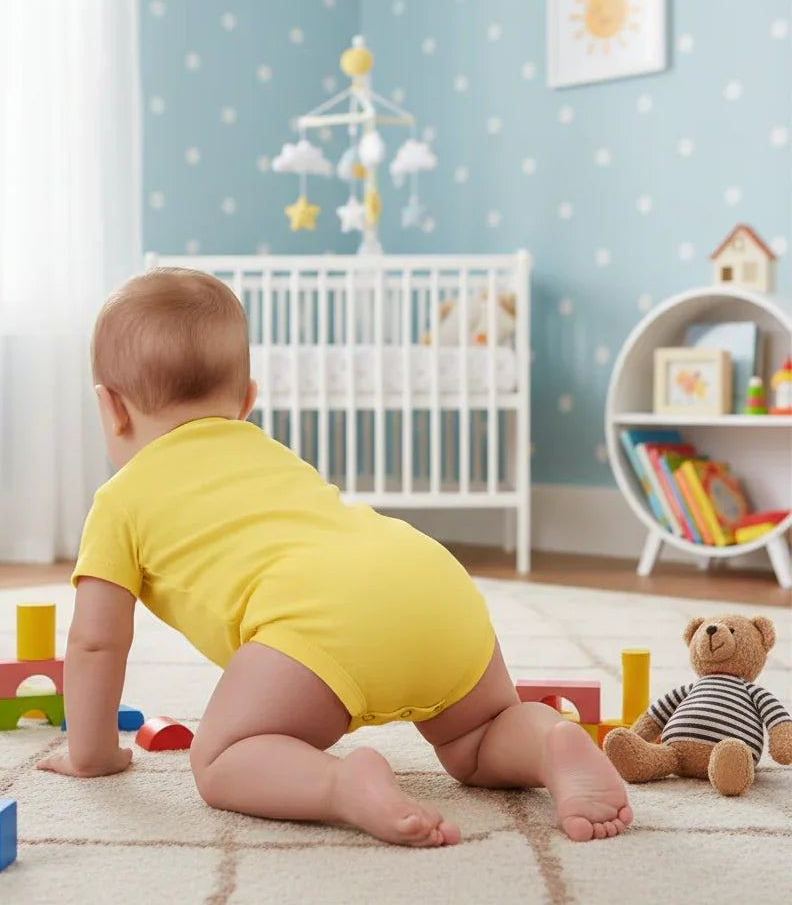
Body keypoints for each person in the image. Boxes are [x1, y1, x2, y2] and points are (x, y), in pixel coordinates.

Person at [38, 268, 632, 845]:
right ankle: (548, 742)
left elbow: (96, 643)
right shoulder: (270, 452)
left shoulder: (119, 501)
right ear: (246, 401)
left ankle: (340, 785)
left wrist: (92, 754)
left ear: (111, 408)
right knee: (476, 740)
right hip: (430, 579)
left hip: (323, 627)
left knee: (220, 757)